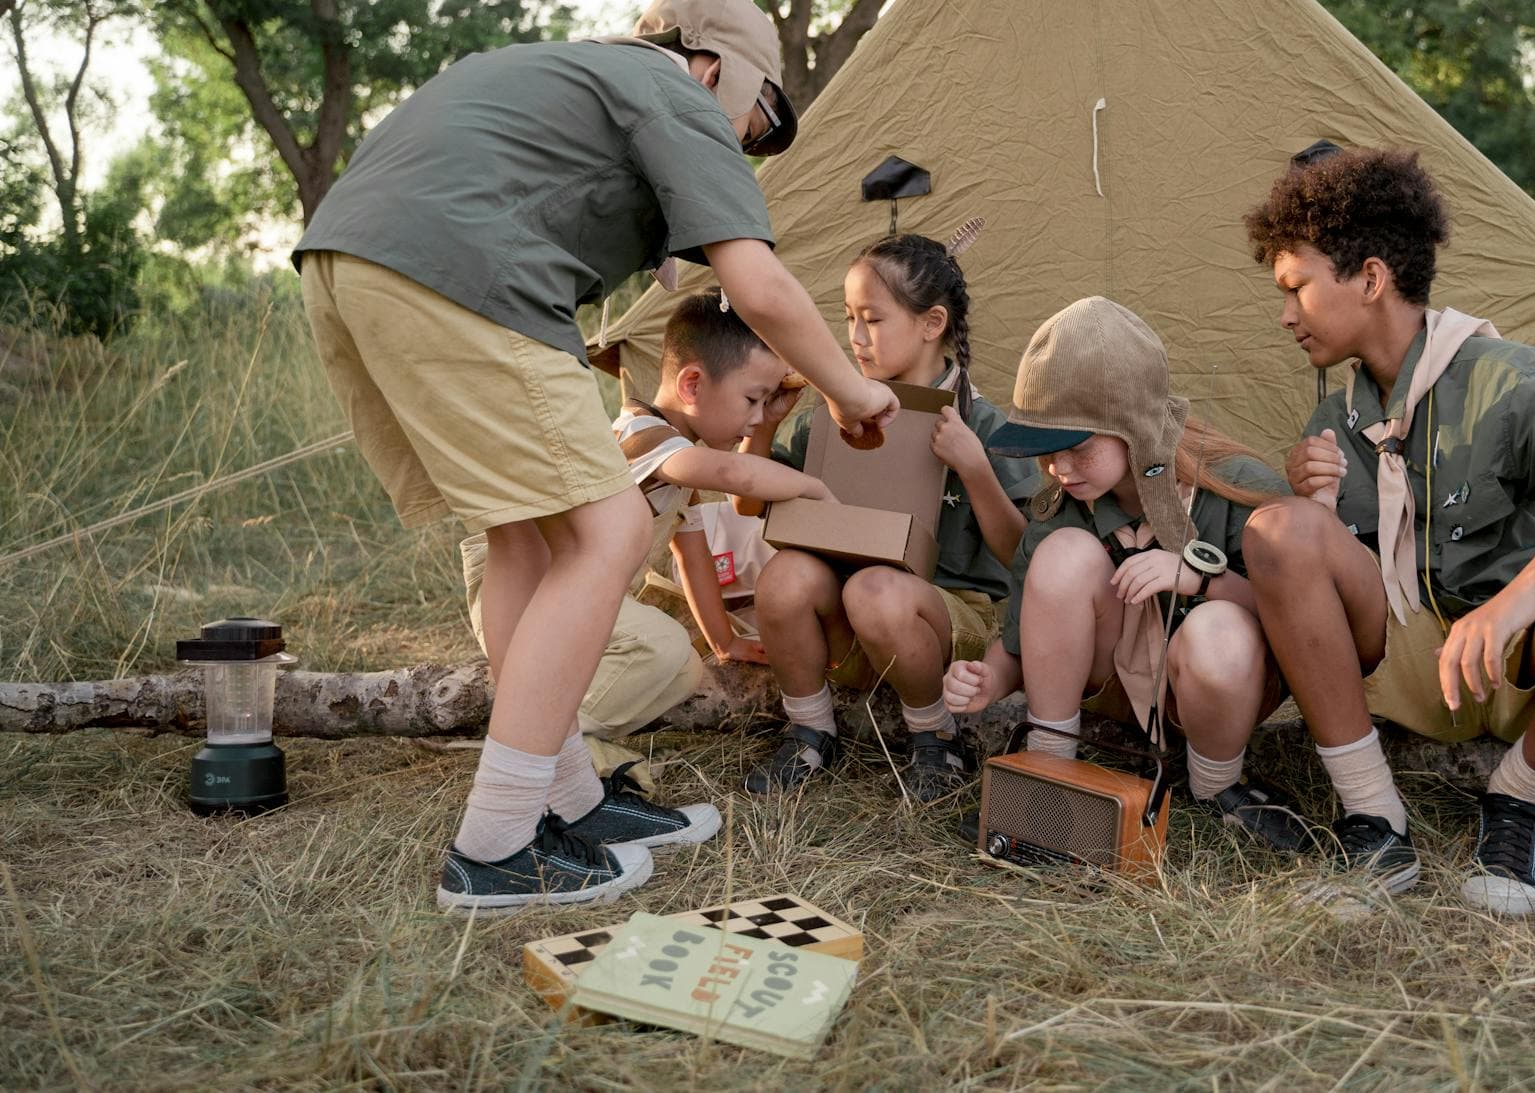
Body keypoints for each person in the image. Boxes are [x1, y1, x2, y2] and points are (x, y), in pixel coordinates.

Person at [292, 0, 899, 912]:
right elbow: (760, 285)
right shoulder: (678, 94)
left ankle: (567, 798)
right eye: (761, 116)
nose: (748, 142)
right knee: (610, 530)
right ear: (712, 65)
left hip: (347, 260)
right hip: (463, 272)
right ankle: (495, 843)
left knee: (526, 538)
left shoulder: (570, 73)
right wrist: (852, 391)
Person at [1239, 145, 1535, 914]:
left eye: (1296, 287)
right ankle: (1374, 817)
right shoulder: (1336, 416)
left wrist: (1523, 595)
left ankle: (1518, 803)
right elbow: (1335, 574)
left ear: (1370, 278)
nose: (1283, 315)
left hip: (1521, 654)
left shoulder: (1499, 375)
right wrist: (1316, 505)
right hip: (1404, 655)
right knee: (1279, 530)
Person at [941, 297, 1304, 842]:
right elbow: (1022, 639)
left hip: (1218, 688)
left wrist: (1199, 579)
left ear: (1133, 427)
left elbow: (1299, 623)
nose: (1058, 469)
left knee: (1217, 628)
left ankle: (1216, 785)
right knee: (1063, 553)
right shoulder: (1060, 507)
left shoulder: (1233, 485)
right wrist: (990, 679)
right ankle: (1048, 772)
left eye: (1077, 448)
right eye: (1045, 452)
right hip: (1113, 683)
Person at [457, 291, 829, 774]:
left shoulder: (676, 462)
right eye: (752, 400)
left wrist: (723, 640)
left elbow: (693, 555)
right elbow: (736, 476)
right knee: (661, 646)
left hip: (571, 600)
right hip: (521, 591)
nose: (758, 417)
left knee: (681, 670)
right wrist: (814, 488)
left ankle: (561, 733)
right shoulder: (641, 436)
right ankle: (537, 745)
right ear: (692, 384)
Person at [739, 233, 1037, 800]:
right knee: (784, 576)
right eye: (847, 317)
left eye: (871, 320)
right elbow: (749, 503)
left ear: (931, 324)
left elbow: (1022, 555)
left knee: (878, 589)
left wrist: (974, 469)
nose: (853, 338)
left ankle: (937, 738)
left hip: (950, 623)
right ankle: (810, 732)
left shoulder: (985, 426)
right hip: (848, 618)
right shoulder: (840, 408)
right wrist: (766, 426)